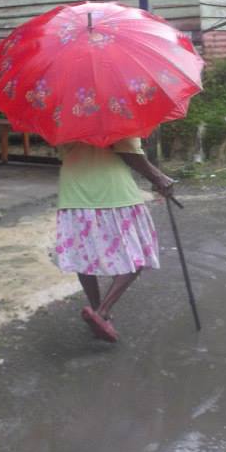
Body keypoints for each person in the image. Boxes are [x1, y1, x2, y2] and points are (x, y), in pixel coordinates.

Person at [53, 137, 174, 343]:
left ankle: (96, 309)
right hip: (113, 192)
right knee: (137, 257)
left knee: (85, 257)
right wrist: (159, 178)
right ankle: (102, 313)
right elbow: (129, 151)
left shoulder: (60, 114)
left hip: (73, 193)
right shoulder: (117, 108)